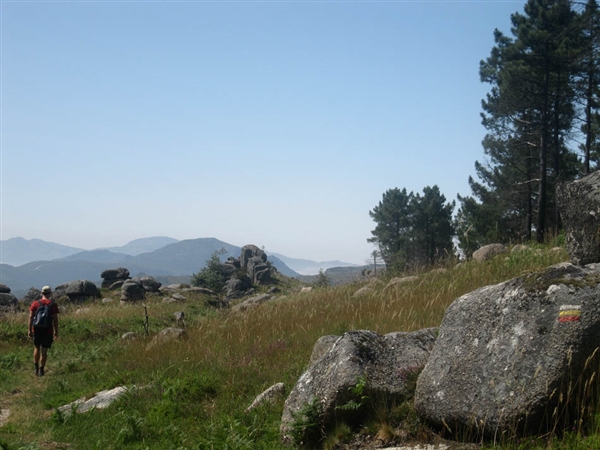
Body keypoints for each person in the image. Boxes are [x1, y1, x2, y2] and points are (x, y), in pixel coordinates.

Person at [28, 286, 59, 376]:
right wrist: (56, 332)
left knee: (36, 347)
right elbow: (55, 320)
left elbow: (30, 317)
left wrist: (29, 330)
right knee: (44, 350)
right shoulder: (52, 305)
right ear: (50, 293)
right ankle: (42, 370)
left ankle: (36, 368)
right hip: (47, 330)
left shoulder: (35, 304)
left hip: (36, 329)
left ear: (42, 293)